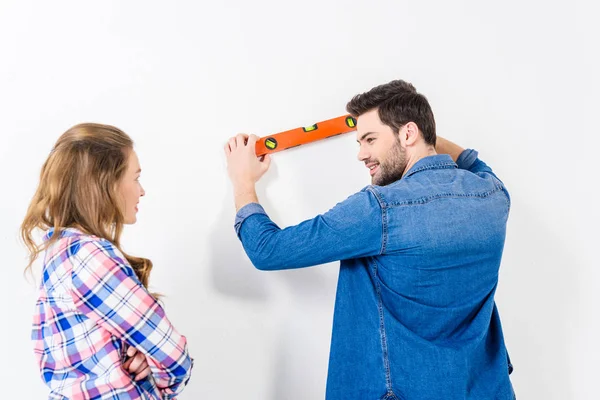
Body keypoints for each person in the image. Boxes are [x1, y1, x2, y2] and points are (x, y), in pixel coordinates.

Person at [224, 80, 514, 399]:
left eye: (370, 140)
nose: (362, 154)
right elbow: (471, 161)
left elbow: (268, 250)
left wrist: (242, 181)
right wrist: (420, 134)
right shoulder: (492, 194)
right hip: (485, 390)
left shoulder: (379, 209)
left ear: (407, 133)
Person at [21, 123, 193, 399]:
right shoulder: (91, 257)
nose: (142, 191)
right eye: (135, 178)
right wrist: (157, 378)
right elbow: (174, 358)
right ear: (107, 184)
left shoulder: (58, 251)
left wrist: (142, 355)